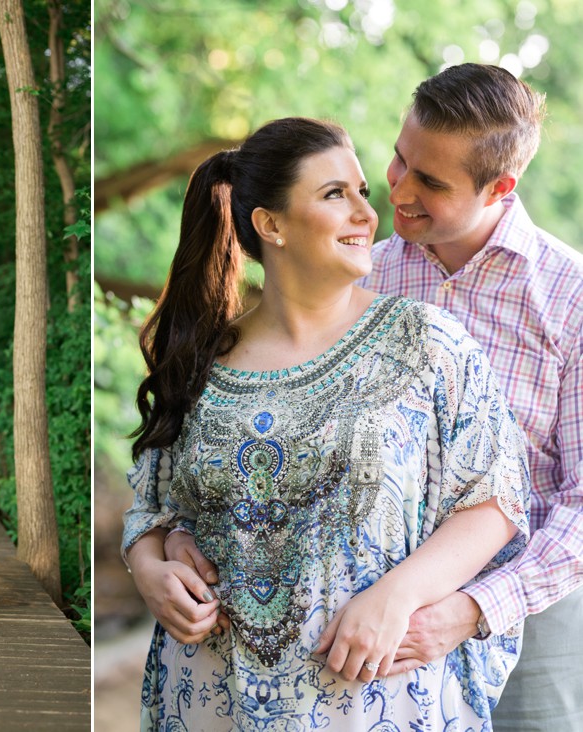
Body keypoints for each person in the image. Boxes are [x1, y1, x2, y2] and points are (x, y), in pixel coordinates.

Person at [159, 64, 583, 730]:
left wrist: (470, 609)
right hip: (347, 622)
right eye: (398, 160)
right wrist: (176, 538)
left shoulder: (569, 296)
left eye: (431, 183)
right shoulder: (358, 270)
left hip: (526, 593)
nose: (398, 193)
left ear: (500, 187)